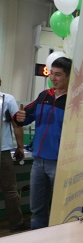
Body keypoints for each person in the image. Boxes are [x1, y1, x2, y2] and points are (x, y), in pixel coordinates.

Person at [14, 56, 72, 230]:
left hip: (61, 163)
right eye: (51, 73)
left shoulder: (75, 101)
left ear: (69, 76)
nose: (53, 78)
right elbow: (24, 117)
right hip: (38, 162)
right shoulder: (44, 96)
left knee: (63, 209)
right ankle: (38, 239)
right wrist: (20, 117)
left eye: (58, 74)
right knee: (37, 209)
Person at [0, 77, 27, 232]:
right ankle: (16, 224)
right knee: (10, 190)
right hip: (2, 153)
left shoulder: (7, 99)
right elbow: (17, 126)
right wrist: (20, 147)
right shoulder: (7, 99)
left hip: (3, 151)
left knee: (10, 191)